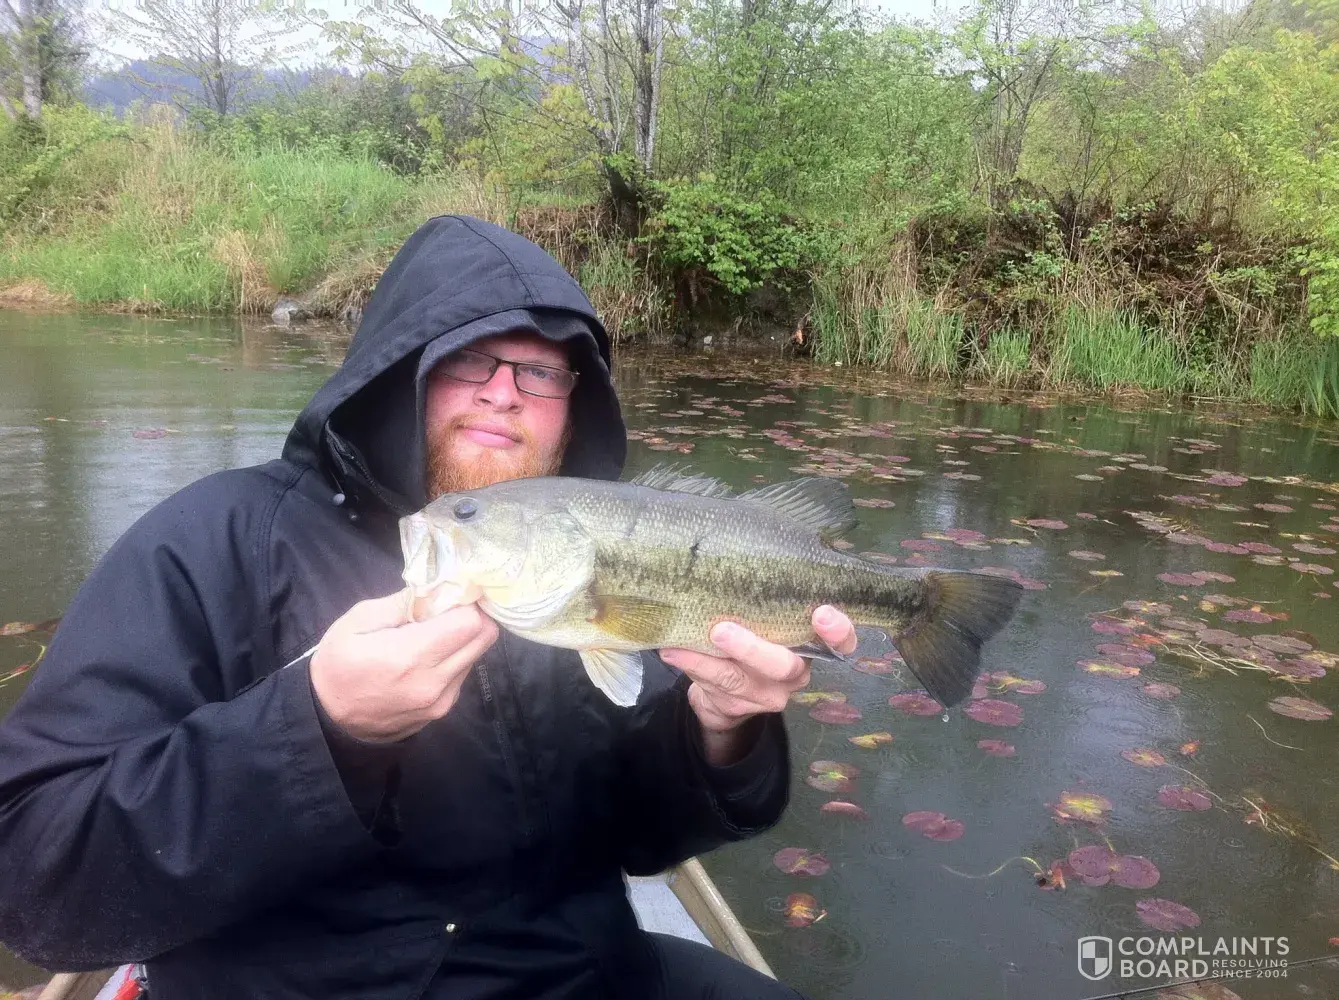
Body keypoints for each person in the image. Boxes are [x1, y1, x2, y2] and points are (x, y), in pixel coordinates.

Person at [0, 215, 857, 1000]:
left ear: (576, 403)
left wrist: (721, 730)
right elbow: (38, 878)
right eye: (468, 359)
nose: (503, 393)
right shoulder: (213, 541)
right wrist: (318, 724)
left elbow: (644, 841)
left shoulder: (593, 552)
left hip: (582, 975)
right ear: (395, 373)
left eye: (539, 372)